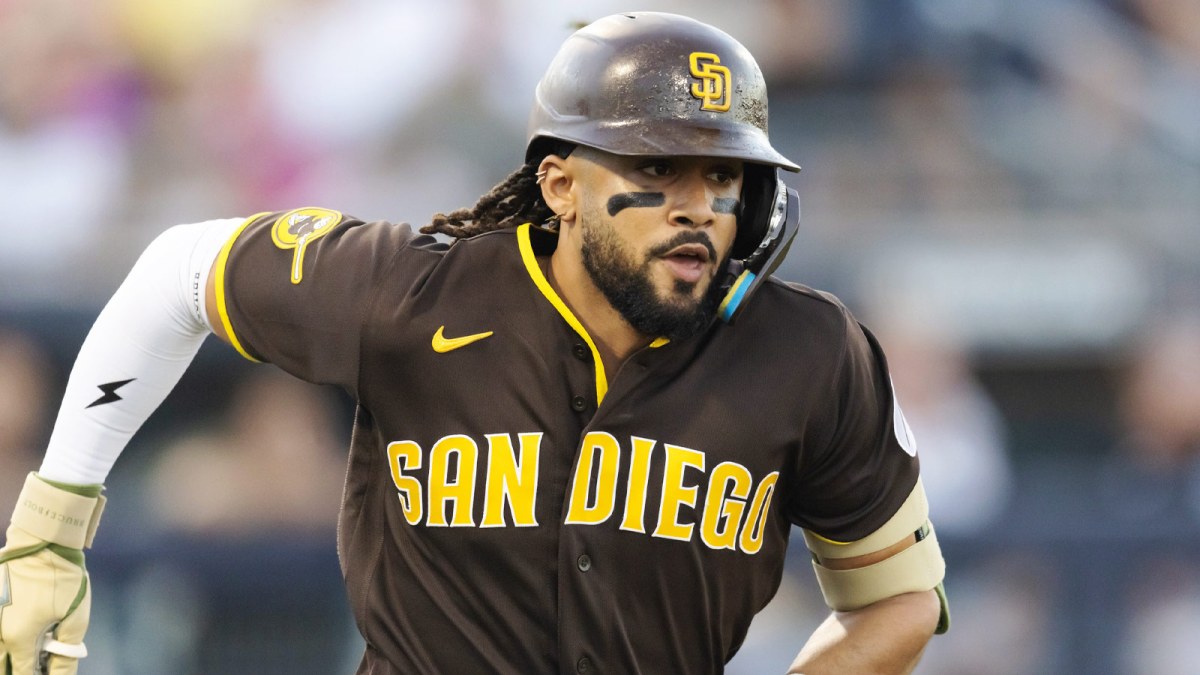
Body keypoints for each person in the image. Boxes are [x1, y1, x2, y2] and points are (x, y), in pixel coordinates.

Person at [0, 12, 947, 674]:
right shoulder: (420, 289)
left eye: (724, 176)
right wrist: (53, 521)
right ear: (562, 184)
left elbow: (900, 598)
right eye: (657, 168)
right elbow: (178, 272)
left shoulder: (810, 353)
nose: (697, 206)